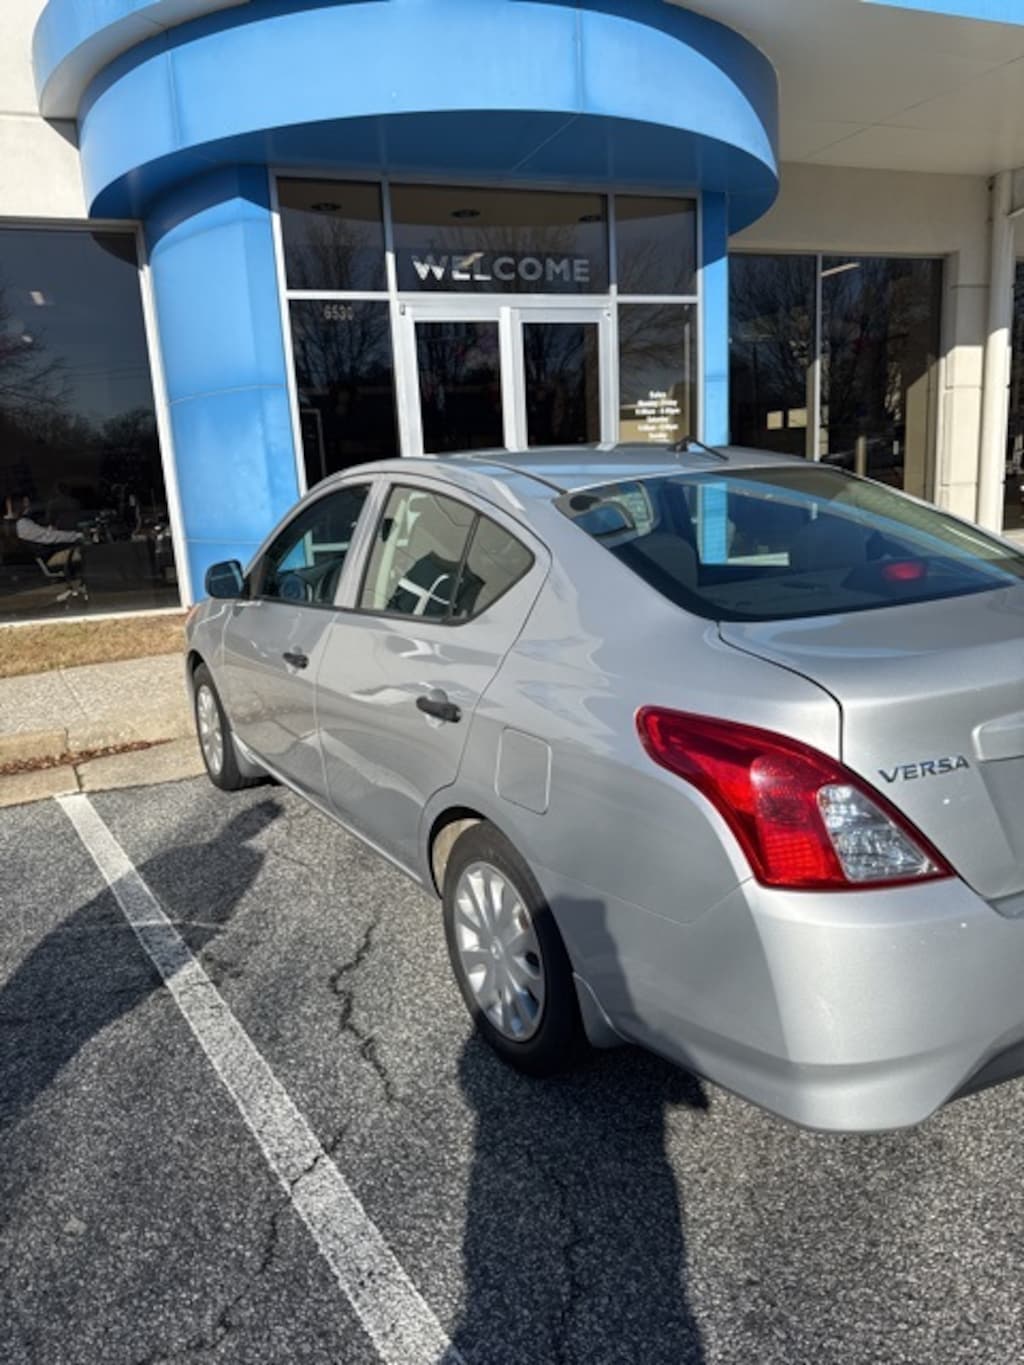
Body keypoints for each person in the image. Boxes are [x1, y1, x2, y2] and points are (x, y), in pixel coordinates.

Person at [14, 494, 83, 573]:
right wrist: (77, 535)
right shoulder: (22, 524)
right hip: (49, 557)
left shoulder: (24, 522)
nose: (29, 505)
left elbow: (44, 534)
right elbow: (48, 537)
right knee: (87, 552)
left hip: (50, 553)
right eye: (25, 502)